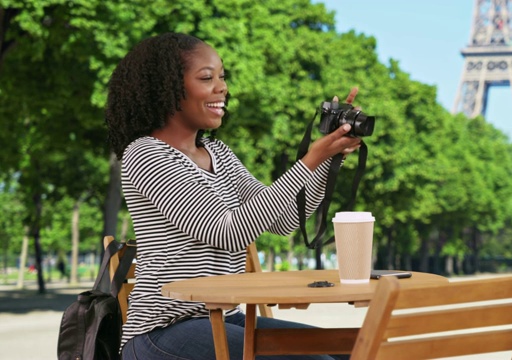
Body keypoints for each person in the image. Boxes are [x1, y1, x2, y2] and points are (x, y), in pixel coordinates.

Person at [105, 32, 363, 360]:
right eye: (206, 77)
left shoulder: (218, 152)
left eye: (222, 77)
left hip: (224, 318)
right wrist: (309, 160)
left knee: (357, 348)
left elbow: (285, 219)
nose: (222, 87)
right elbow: (227, 231)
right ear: (167, 88)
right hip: (165, 330)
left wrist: (327, 159)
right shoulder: (146, 154)